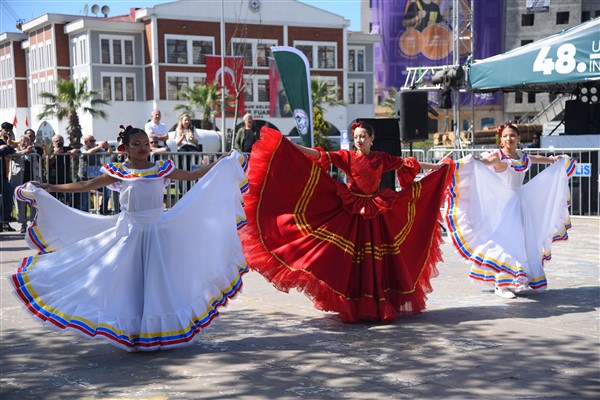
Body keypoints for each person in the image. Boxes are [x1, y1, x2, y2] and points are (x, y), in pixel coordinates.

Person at [11, 125, 250, 352]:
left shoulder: (161, 168)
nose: (143, 148)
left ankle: (155, 331)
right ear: (125, 147)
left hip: (158, 233)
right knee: (131, 283)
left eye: (145, 143)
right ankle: (134, 331)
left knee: (158, 282)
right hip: (131, 234)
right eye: (136, 144)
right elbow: (86, 185)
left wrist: (222, 162)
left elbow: (192, 175)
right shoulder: (120, 172)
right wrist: (50, 187)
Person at [239, 122, 453, 323]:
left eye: (363, 136)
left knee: (375, 259)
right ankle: (353, 302)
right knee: (350, 259)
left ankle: (376, 300)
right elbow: (320, 155)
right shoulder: (347, 157)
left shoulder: (381, 159)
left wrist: (437, 167)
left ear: (372, 138)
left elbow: (408, 163)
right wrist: (292, 146)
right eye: (356, 137)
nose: (359, 140)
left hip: (375, 211)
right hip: (352, 210)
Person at [445, 122, 576, 299]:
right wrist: (473, 160)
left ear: (519, 138)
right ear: (501, 140)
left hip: (520, 203)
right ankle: (501, 285)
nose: (509, 138)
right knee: (505, 243)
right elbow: (485, 162)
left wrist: (553, 160)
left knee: (520, 243)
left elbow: (536, 158)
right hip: (503, 206)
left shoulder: (522, 156)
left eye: (512, 135)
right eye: (505, 136)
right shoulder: (498, 157)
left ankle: (515, 280)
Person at [9, 134, 42, 233]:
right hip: (19, 180)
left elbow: (43, 156)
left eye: (27, 140)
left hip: (33, 181)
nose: (25, 143)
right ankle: (22, 225)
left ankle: (33, 224)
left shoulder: (35, 151)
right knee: (20, 204)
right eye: (22, 141)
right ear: (19, 142)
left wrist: (30, 151)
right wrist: (25, 151)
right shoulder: (15, 150)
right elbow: (12, 156)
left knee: (33, 203)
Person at [79, 134, 113, 214]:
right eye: (91, 141)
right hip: (85, 176)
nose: (93, 142)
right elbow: (86, 153)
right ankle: (85, 214)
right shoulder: (83, 148)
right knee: (85, 198)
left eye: (94, 140)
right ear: (86, 142)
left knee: (107, 189)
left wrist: (108, 146)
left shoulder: (97, 149)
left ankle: (103, 209)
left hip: (96, 175)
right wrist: (99, 146)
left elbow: (108, 153)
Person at [47, 134, 80, 206]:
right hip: (54, 179)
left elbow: (78, 151)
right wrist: (56, 153)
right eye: (56, 141)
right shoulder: (51, 151)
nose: (59, 142)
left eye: (60, 140)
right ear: (53, 143)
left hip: (66, 178)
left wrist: (74, 151)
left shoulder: (67, 149)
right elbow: (49, 161)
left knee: (68, 201)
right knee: (54, 201)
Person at [0, 126, 16, 232]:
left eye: (10, 130)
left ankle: (5, 217)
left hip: (2, 176)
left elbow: (10, 150)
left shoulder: (1, 142)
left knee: (9, 190)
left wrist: (5, 147)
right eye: (6, 130)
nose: (8, 132)